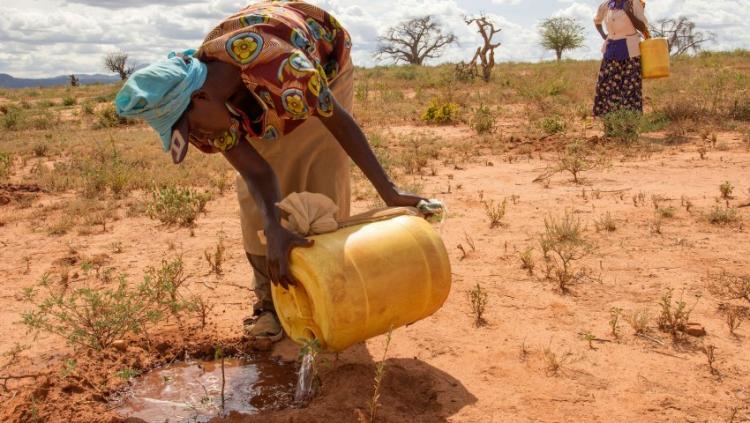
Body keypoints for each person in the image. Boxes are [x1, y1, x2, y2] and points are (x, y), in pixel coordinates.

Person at [115, 1, 426, 345]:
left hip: (322, 67)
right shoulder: (208, 105)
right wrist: (274, 227)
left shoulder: (285, 69)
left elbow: (340, 125)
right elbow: (256, 172)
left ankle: (331, 293)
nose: (198, 139)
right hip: (254, 88)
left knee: (321, 171)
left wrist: (390, 193)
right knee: (258, 204)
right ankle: (270, 302)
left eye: (190, 128)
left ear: (201, 98)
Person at [593, 0, 649, 117]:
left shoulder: (633, 3)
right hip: (610, 51)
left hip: (630, 53)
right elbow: (597, 20)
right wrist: (604, 35)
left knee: (629, 87)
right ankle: (610, 121)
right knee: (608, 86)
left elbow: (643, 27)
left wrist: (628, 12)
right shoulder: (606, 5)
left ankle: (629, 123)